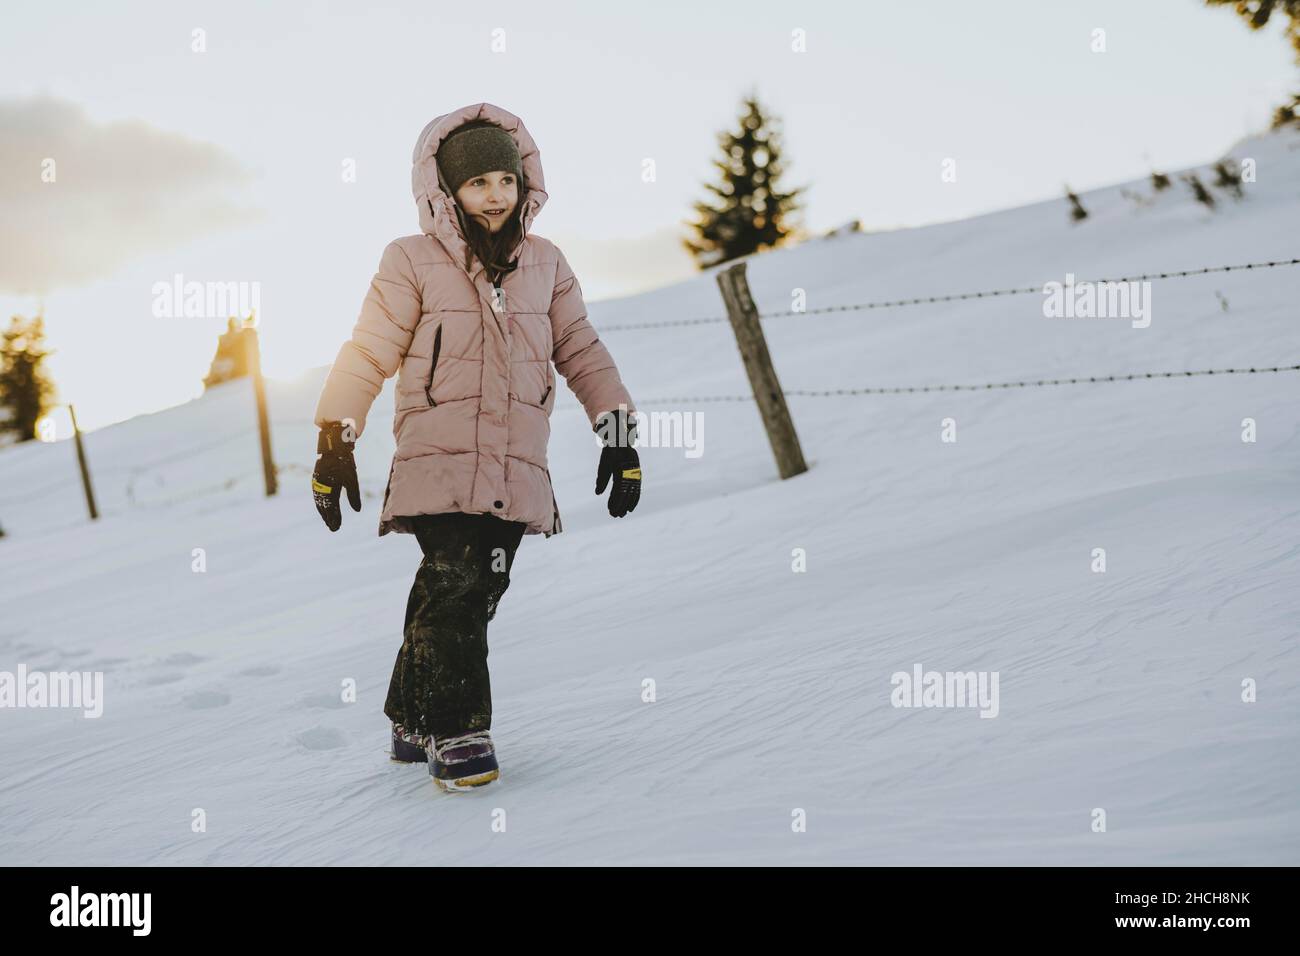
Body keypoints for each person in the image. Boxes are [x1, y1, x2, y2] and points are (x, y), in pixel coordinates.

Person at [310, 103, 641, 792]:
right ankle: (458, 732)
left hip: (516, 463)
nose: (495, 194)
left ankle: (411, 713)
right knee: (457, 586)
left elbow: (580, 348)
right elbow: (370, 349)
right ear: (446, 189)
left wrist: (616, 432)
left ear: (526, 186)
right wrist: (337, 434)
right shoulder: (411, 260)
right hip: (438, 458)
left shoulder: (546, 264)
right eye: (478, 182)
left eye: (506, 180)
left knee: (469, 589)